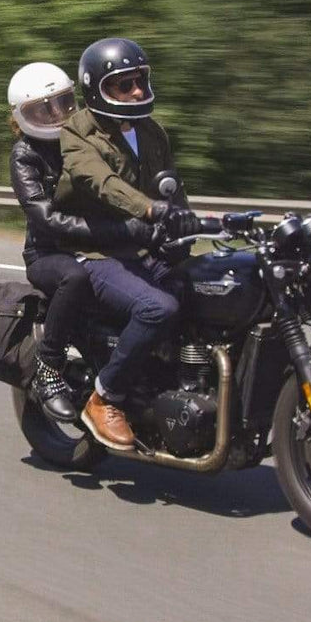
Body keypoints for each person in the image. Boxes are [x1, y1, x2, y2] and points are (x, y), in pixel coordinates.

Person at [57, 38, 201, 449]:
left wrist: (189, 222)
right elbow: (104, 185)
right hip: (95, 249)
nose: (137, 91)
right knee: (158, 307)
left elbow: (172, 187)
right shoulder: (76, 133)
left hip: (141, 247)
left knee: (205, 287)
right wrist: (153, 211)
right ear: (97, 89)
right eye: (124, 85)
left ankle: (171, 383)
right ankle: (104, 398)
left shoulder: (152, 132)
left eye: (140, 80)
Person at [8, 62, 153, 422]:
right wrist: (117, 231)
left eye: (63, 103)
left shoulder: (87, 138)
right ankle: (48, 365)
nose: (57, 115)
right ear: (23, 116)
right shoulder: (26, 155)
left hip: (97, 246)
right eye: (44, 109)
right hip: (49, 252)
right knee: (75, 276)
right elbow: (46, 218)